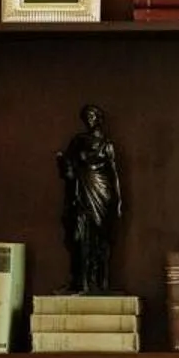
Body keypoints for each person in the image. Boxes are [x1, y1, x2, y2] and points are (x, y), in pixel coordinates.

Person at [56, 103, 122, 294]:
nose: (89, 120)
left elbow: (114, 174)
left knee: (101, 238)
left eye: (92, 116)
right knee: (78, 236)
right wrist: (62, 161)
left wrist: (118, 201)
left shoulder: (107, 145)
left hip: (101, 192)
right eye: (86, 117)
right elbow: (67, 167)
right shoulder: (78, 141)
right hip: (81, 192)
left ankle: (101, 282)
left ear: (99, 119)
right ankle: (80, 281)